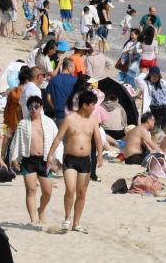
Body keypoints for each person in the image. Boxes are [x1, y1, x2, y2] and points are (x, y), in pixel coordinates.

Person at [46, 89, 103, 232]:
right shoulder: (70, 119)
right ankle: (67, 218)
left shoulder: (93, 120)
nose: (94, 107)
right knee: (70, 189)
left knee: (81, 193)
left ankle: (76, 223)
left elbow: (97, 138)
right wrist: (50, 155)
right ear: (85, 105)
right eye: (92, 105)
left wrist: (100, 155)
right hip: (70, 159)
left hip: (85, 161)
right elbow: (58, 138)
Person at [9, 95, 59, 225]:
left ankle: (41, 209)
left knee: (47, 192)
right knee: (31, 191)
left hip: (45, 161)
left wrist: (56, 160)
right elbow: (16, 142)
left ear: (41, 107)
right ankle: (33, 220)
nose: (33, 109)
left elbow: (57, 141)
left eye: (36, 106)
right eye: (30, 107)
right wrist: (14, 159)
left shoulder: (49, 123)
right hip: (28, 160)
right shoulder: (23, 124)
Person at [139, 66, 166, 157]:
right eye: (153, 75)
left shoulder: (163, 83)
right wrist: (145, 71)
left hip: (163, 110)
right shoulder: (145, 84)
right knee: (155, 134)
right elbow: (137, 79)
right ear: (150, 75)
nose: (155, 77)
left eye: (157, 75)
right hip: (153, 111)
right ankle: (153, 154)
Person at [46, 58, 78, 123]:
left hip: (58, 114)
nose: (75, 69)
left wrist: (55, 108)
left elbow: (48, 98)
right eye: (74, 67)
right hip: (72, 114)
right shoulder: (75, 80)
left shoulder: (53, 80)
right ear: (69, 67)